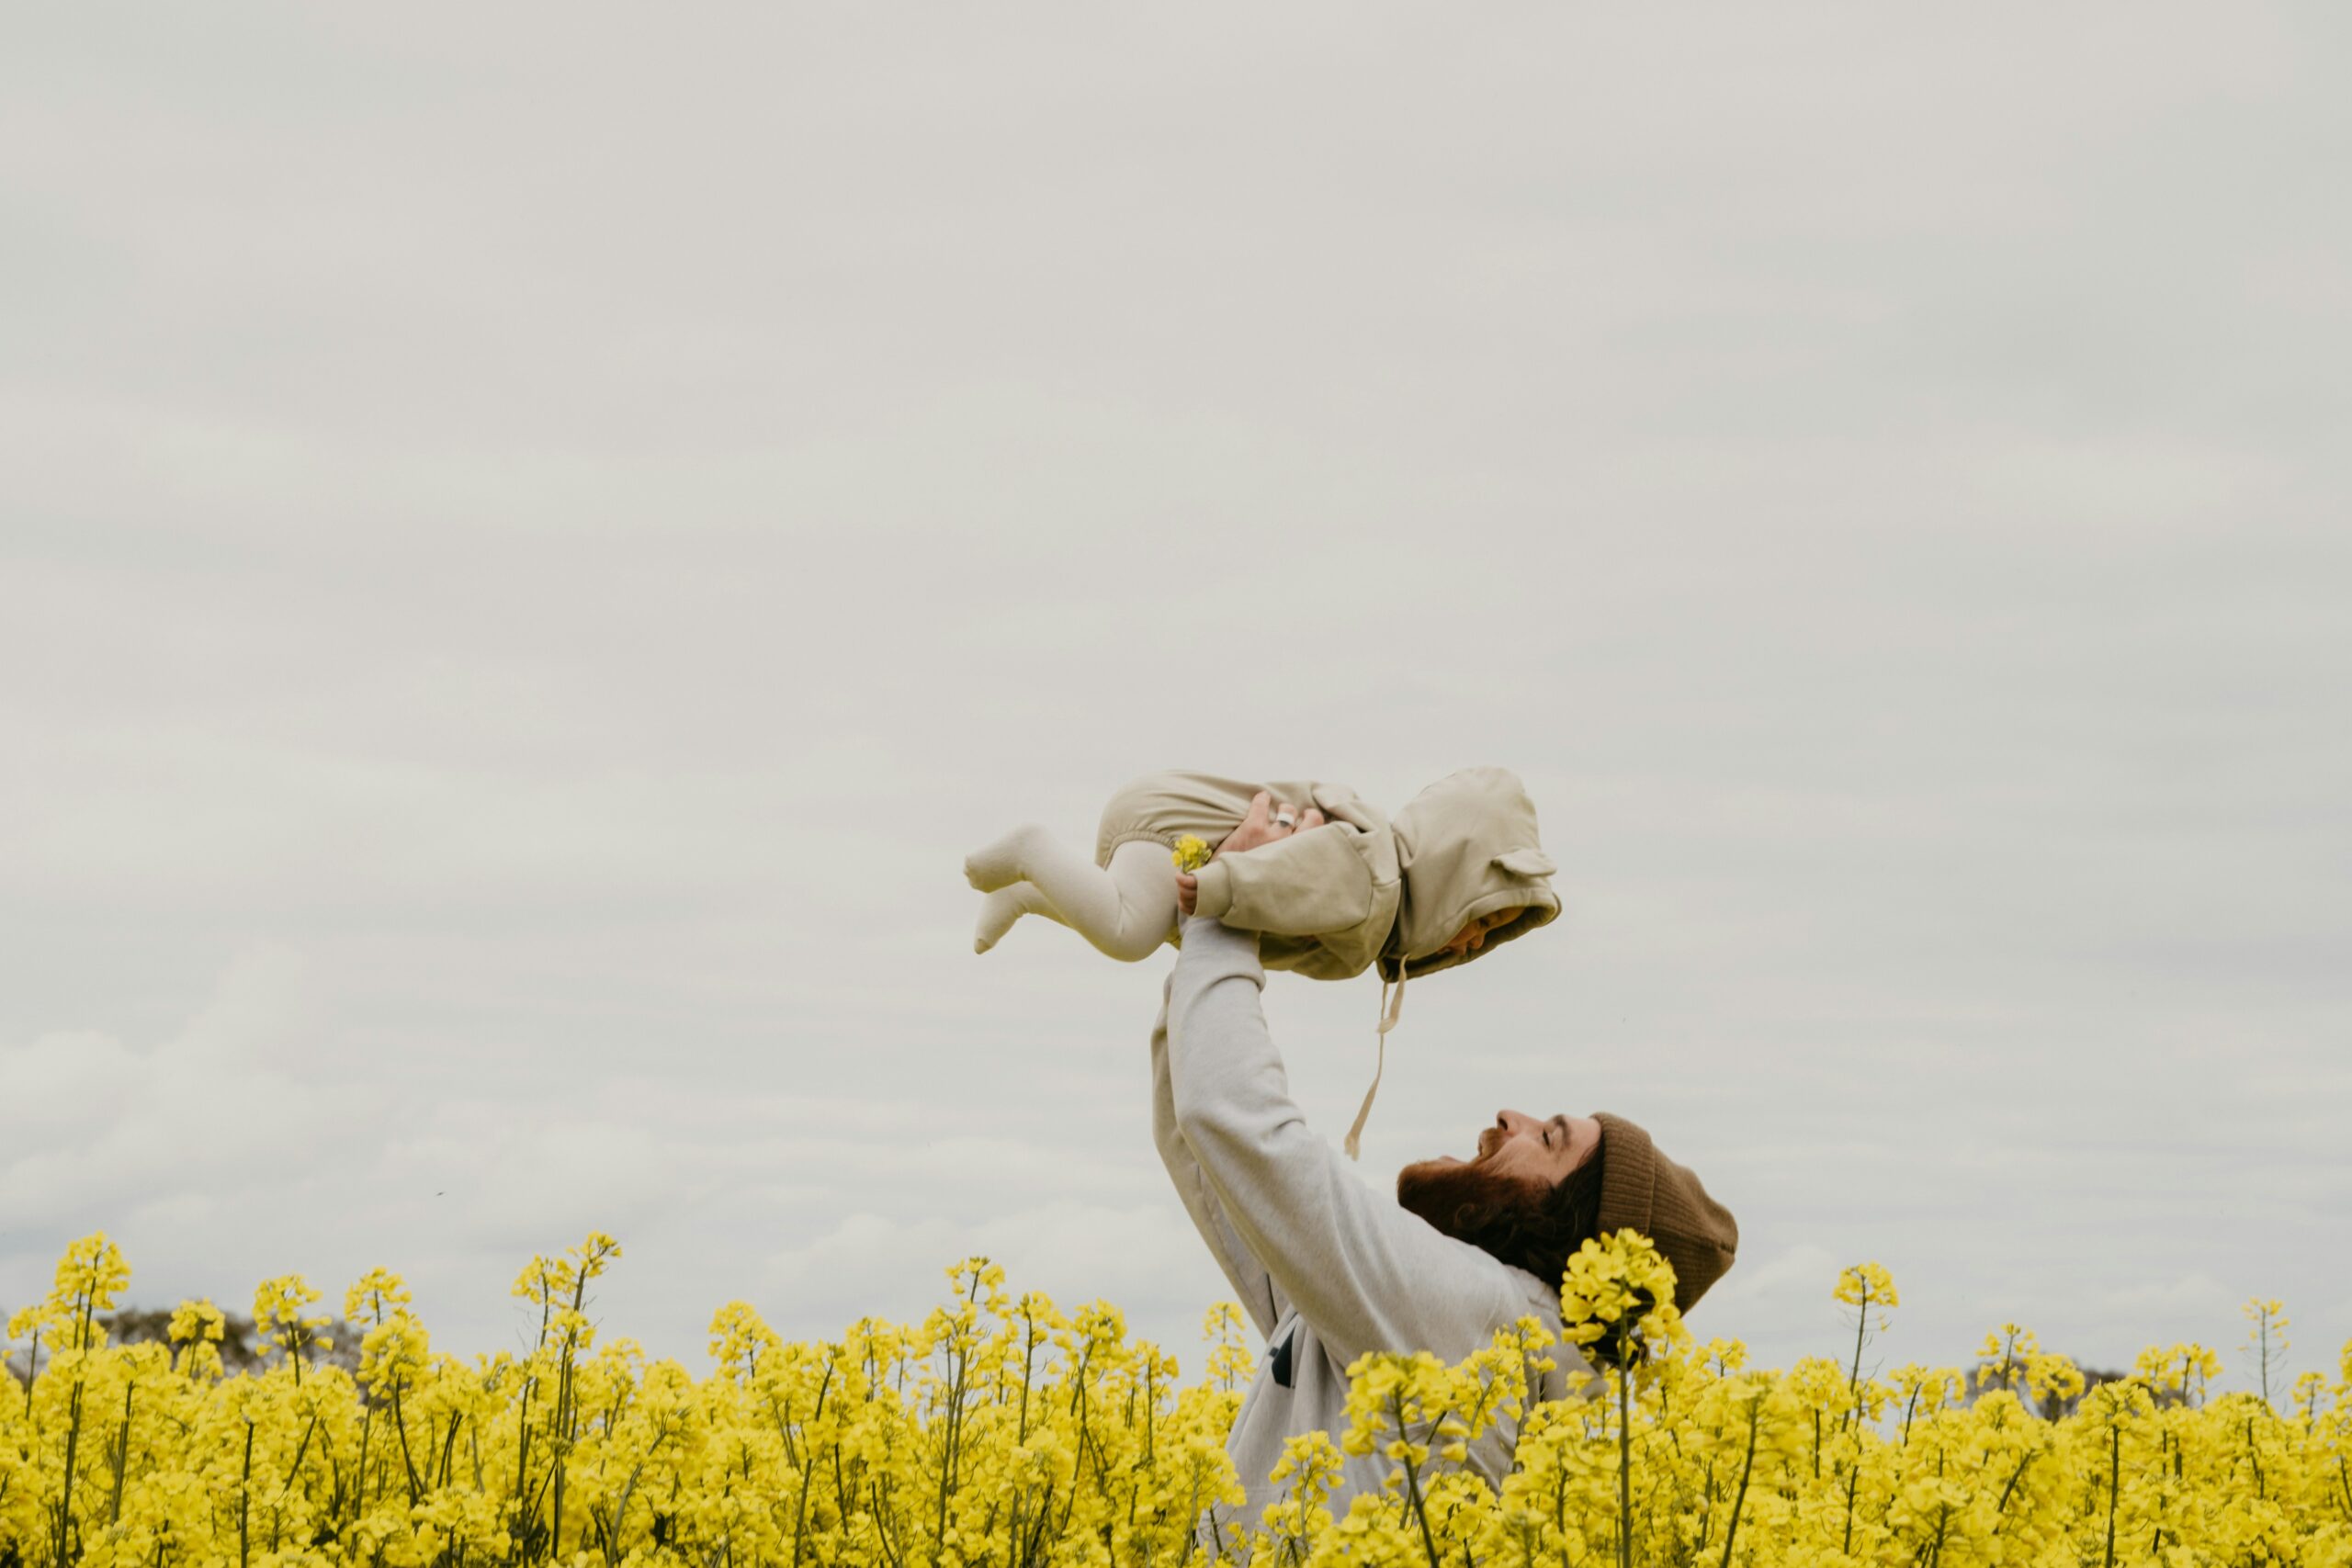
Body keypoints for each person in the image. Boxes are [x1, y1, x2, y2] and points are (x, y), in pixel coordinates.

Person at [1152, 795, 1740, 1537]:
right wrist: (1213, 922)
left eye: (1550, 1139)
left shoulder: (1480, 1319)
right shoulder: (1427, 1325)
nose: (1509, 1116)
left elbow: (1238, 1124)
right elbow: (1210, 1152)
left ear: (1570, 1238)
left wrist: (1229, 906)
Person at [971, 771, 1562, 1153]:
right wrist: (1223, 885)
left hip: (1176, 831)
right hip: (1182, 835)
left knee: (1133, 924)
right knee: (1126, 933)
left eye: (1487, 938)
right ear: (1452, 874)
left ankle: (1028, 891)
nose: (1470, 943)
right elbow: (1300, 869)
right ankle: (1031, 850)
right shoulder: (1373, 878)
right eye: (1480, 919)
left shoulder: (1378, 898)